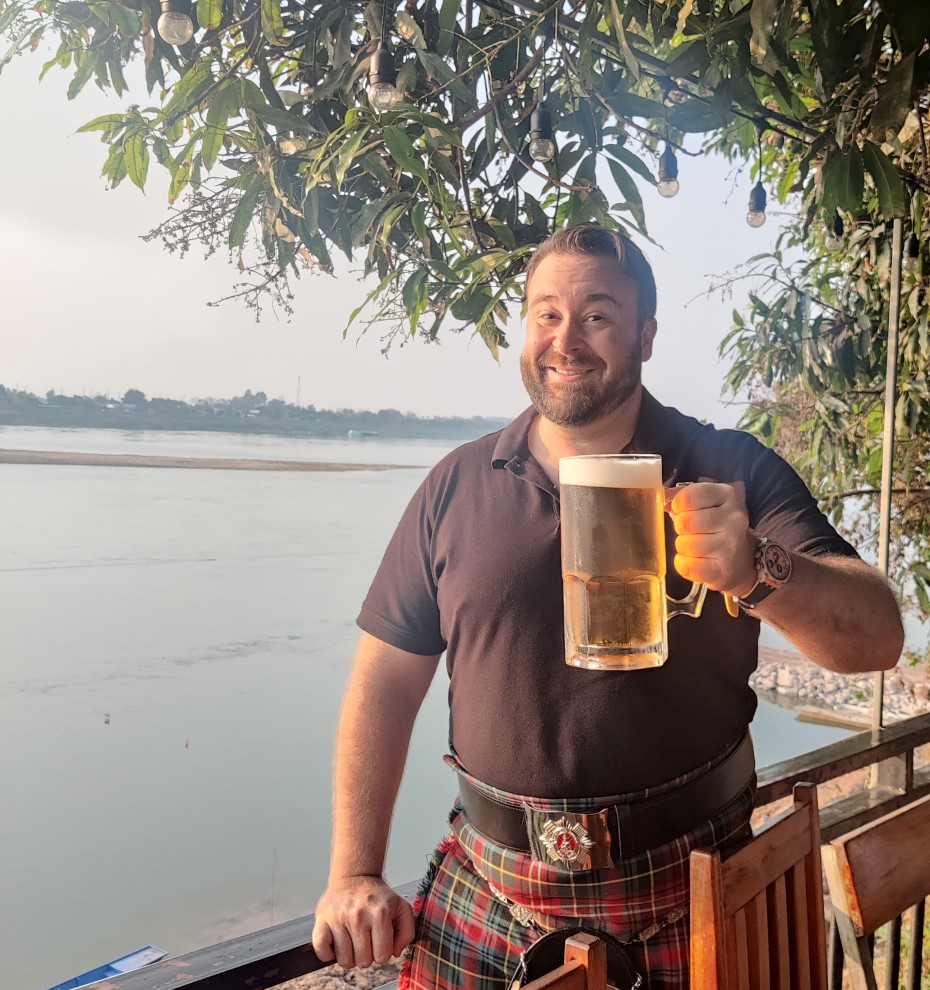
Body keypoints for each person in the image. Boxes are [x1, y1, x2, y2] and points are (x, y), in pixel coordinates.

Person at [311, 224, 903, 989]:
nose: (566, 339)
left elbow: (878, 638)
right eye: (546, 313)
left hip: (697, 887)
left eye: (597, 316)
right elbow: (384, 685)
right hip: (490, 889)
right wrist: (354, 871)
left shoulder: (731, 467)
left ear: (646, 336)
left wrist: (758, 567)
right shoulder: (456, 486)